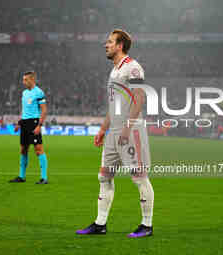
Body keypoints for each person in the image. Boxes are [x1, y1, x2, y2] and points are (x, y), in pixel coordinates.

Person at [76, 29, 154, 238]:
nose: (106, 45)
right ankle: (100, 224)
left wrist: (128, 127)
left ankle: (146, 225)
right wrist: (103, 129)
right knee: (104, 176)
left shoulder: (133, 68)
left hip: (131, 130)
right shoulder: (114, 71)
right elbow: (115, 106)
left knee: (139, 178)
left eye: (110, 42)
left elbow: (139, 97)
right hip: (113, 132)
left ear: (120, 46)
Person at [9, 71, 48, 184]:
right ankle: (21, 176)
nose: (23, 82)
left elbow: (44, 110)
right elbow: (24, 110)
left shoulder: (39, 92)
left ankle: (44, 178)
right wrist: (19, 123)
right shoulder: (24, 93)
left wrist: (39, 125)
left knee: (38, 149)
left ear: (32, 80)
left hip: (34, 123)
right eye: (23, 79)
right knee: (23, 149)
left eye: (26, 80)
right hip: (25, 123)